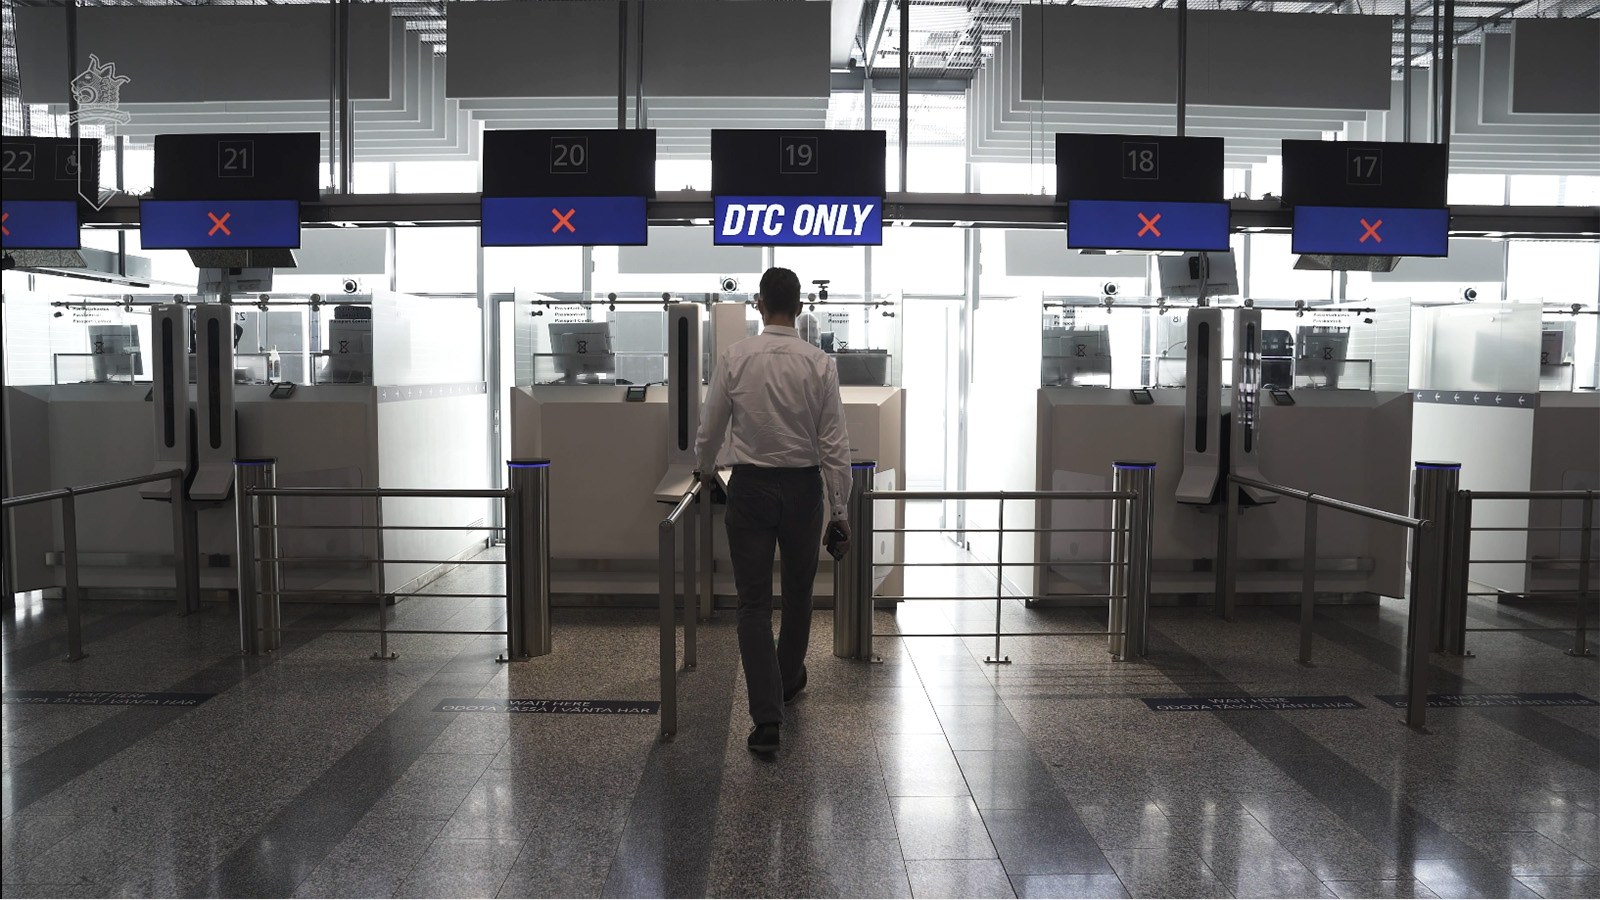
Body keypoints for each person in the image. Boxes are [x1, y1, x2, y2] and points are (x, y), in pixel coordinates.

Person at [694, 267, 852, 754]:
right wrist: (839, 509)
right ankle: (784, 683)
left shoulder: (736, 356)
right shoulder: (819, 362)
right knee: (800, 595)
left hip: (752, 488)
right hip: (805, 490)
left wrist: (703, 470)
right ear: (800, 307)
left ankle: (767, 720)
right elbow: (834, 442)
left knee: (753, 604)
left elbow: (711, 426)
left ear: (759, 305)